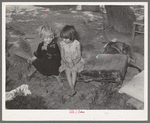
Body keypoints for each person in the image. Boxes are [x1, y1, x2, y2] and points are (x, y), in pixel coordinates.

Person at [59, 25, 85, 97]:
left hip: (75, 60)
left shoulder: (77, 44)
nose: (64, 40)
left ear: (72, 37)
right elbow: (62, 55)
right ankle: (72, 88)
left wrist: (74, 63)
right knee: (67, 71)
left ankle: (72, 88)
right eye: (63, 37)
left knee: (74, 71)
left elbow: (79, 56)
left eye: (66, 38)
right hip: (66, 61)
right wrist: (66, 62)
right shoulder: (62, 44)